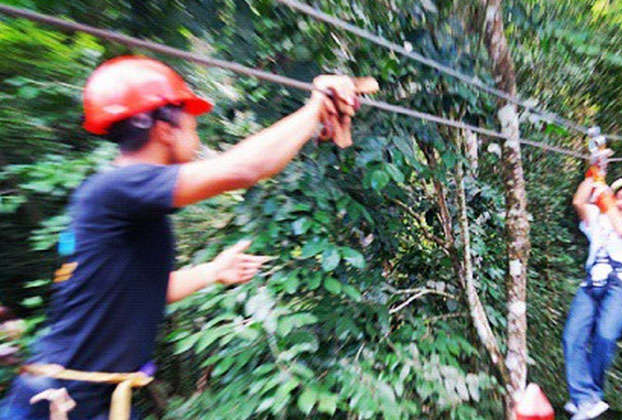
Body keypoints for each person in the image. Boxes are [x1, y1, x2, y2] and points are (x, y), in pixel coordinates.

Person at [0, 56, 363, 419]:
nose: (197, 132)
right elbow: (244, 168)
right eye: (193, 121)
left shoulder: (125, 201)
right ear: (164, 128)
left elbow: (146, 288)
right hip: (56, 404)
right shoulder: (118, 188)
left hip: (93, 401)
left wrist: (213, 271)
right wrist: (316, 107)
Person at [562, 169, 622, 420]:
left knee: (605, 335)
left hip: (621, 289)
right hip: (593, 284)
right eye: (620, 196)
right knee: (572, 337)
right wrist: (593, 175)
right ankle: (584, 398)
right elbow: (579, 202)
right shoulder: (601, 217)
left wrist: (606, 199)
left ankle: (589, 396)